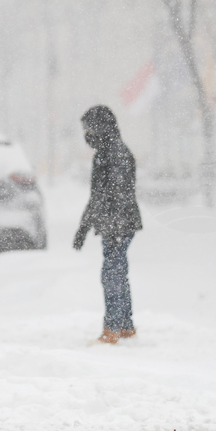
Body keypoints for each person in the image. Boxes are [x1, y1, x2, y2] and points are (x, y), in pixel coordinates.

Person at [73, 105, 143, 344]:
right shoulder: (107, 152)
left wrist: (114, 228)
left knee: (112, 274)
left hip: (118, 225)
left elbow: (115, 194)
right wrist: (84, 227)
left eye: (90, 128)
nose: (87, 134)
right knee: (117, 272)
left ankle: (112, 329)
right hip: (115, 224)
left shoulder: (115, 153)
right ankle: (124, 327)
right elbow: (98, 196)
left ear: (101, 128)